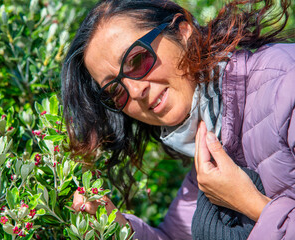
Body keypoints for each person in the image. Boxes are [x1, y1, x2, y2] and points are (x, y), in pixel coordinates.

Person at [61, 0, 295, 239]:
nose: (134, 91)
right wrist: (116, 225)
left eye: (138, 59)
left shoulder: (285, 85)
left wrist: (250, 203)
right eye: (115, 90)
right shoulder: (209, 143)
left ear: (183, 31)